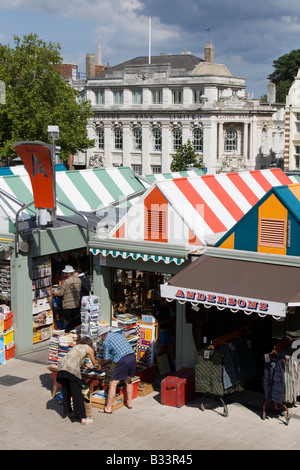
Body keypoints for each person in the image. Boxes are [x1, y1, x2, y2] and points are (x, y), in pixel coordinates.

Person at [57, 336, 101, 424]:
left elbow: (74, 360)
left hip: (61, 368)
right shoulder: (89, 348)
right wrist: (99, 366)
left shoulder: (76, 346)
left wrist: (85, 365)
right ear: (89, 344)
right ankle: (83, 417)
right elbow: (94, 362)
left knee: (66, 390)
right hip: (71, 371)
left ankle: (67, 412)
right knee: (77, 394)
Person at [98, 325, 136, 413]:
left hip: (123, 360)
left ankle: (108, 408)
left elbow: (106, 358)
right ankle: (129, 403)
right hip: (132, 356)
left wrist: (99, 364)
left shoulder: (106, 342)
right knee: (128, 380)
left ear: (102, 335)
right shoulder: (119, 335)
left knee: (113, 383)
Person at [53, 265, 82, 332]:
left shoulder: (66, 282)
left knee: (68, 323)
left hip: (67, 305)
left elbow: (60, 293)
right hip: (76, 304)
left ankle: (68, 334)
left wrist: (53, 292)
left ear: (67, 274)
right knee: (76, 322)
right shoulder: (79, 280)